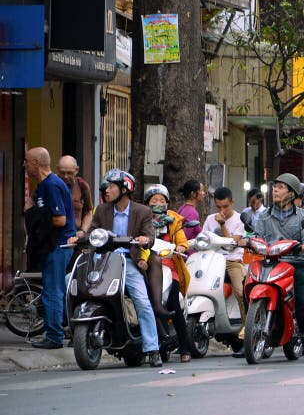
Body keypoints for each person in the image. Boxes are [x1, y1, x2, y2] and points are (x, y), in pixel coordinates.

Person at [69, 169, 162, 366]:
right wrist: (80, 237)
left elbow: (150, 237)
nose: (106, 190)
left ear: (125, 189)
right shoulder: (102, 210)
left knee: (142, 300)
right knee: (68, 281)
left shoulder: (142, 211)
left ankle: (152, 348)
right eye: (107, 186)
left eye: (111, 186)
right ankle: (72, 328)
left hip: (127, 261)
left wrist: (145, 239)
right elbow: (92, 232)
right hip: (102, 259)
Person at [248, 173, 304, 361]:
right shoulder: (264, 215)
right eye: (275, 186)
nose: (276, 189)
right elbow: (256, 234)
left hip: (295, 263)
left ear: (292, 193)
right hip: (270, 262)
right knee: (247, 282)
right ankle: (251, 328)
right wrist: (247, 240)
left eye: (281, 187)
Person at [23, 147, 77, 349]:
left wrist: (35, 215)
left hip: (59, 245)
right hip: (54, 245)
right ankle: (57, 330)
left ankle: (54, 336)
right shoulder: (45, 185)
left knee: (52, 291)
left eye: (27, 161)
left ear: (36, 163)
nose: (25, 165)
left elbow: (60, 219)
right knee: (54, 290)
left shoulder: (52, 185)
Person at [140, 184, 193, 363]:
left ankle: (185, 346)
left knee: (172, 303)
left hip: (170, 267)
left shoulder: (174, 220)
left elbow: (182, 241)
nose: (158, 203)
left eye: (162, 200)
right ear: (147, 203)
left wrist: (181, 247)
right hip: (147, 266)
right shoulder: (142, 219)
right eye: (154, 200)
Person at [201, 186, 248, 355]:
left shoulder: (240, 219)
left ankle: (246, 330)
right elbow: (203, 238)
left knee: (241, 292)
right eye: (218, 207)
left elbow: (231, 244)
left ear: (232, 203)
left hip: (231, 261)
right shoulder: (209, 219)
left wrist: (222, 225)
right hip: (212, 260)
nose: (222, 210)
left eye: (225, 207)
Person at [56, 155, 93, 237]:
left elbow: (88, 212)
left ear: (76, 170)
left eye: (69, 173)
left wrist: (83, 230)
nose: (65, 176)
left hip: (75, 236)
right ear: (57, 169)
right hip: (54, 236)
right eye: (62, 173)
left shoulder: (82, 186)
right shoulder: (50, 184)